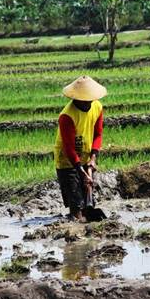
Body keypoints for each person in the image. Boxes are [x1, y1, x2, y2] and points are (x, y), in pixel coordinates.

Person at [53, 76, 105, 221]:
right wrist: (82, 173)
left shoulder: (97, 107)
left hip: (86, 156)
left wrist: (92, 159)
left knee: (88, 200)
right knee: (75, 202)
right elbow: (69, 148)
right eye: (84, 98)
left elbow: (98, 134)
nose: (87, 101)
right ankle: (76, 223)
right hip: (66, 160)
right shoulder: (67, 116)